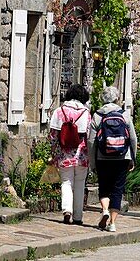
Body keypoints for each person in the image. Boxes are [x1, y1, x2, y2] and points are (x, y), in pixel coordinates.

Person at [87, 85, 138, 232]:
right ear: (117, 99)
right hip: (122, 157)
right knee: (117, 189)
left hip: (102, 157)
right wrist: (132, 158)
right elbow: (133, 138)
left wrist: (93, 161)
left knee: (104, 187)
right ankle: (113, 223)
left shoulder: (97, 115)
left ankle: (104, 210)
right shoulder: (125, 115)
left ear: (103, 99)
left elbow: (91, 141)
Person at [48, 83, 91, 225]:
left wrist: (52, 152)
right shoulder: (86, 112)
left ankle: (67, 210)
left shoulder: (59, 111)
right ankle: (78, 216)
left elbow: (53, 135)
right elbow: (89, 135)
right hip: (81, 154)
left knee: (66, 182)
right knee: (79, 184)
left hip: (64, 153)